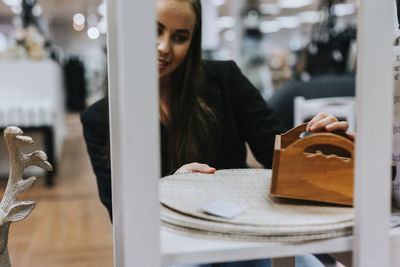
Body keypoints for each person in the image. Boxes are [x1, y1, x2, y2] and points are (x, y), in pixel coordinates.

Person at [80, 0, 350, 266]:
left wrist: (319, 145)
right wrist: (172, 190)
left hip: (243, 234)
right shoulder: (101, 119)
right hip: (173, 244)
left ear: (193, 41)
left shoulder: (225, 79)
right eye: (154, 31)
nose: (164, 47)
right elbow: (122, 214)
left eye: (180, 37)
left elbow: (278, 154)